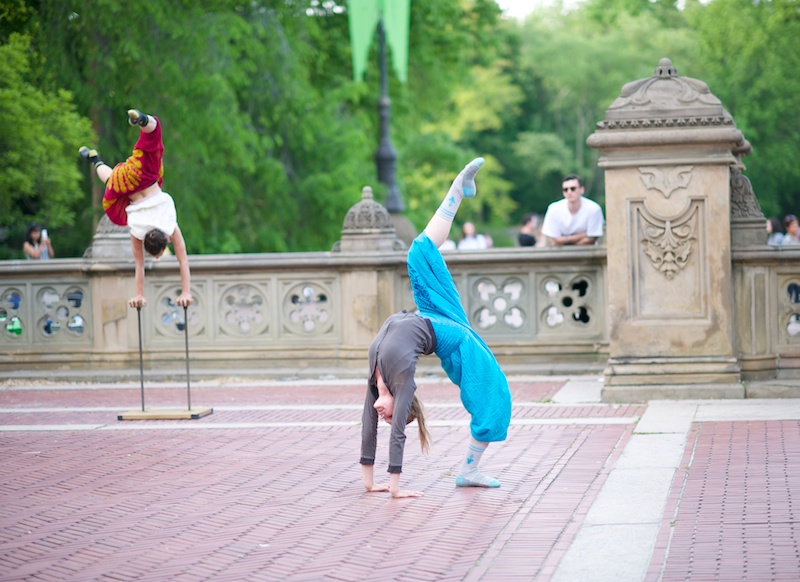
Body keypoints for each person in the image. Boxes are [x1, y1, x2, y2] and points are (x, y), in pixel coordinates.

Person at [360, 157, 512, 499]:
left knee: (417, 252)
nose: (380, 415)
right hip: (454, 338)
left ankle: (458, 189)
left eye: (383, 416)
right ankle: (470, 469)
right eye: (387, 415)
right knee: (495, 395)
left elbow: (367, 429)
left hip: (432, 312)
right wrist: (395, 489)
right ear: (403, 401)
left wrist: (369, 483)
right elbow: (397, 434)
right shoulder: (402, 380)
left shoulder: (375, 379)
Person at [80, 110, 192, 309]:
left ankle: (142, 120)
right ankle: (94, 160)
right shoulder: (139, 232)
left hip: (143, 178)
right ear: (166, 240)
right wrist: (185, 292)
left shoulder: (168, 224)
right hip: (125, 184)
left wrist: (140, 295)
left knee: (153, 139)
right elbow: (174, 261)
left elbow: (177, 260)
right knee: (109, 179)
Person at [540, 174, 605, 246]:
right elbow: (555, 240)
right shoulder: (553, 209)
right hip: (560, 254)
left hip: (589, 254)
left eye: (573, 188)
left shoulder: (594, 209)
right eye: (565, 190)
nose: (569, 192)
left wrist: (565, 240)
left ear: (582, 189)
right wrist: (583, 235)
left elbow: (592, 238)